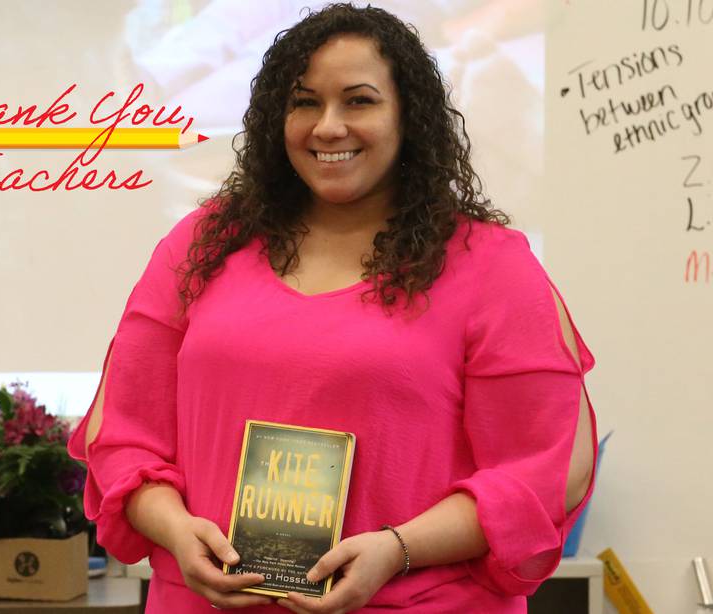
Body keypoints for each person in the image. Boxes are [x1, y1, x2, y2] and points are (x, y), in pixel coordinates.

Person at [67, 4, 598, 613]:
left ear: (409, 118)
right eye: (305, 102)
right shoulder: (202, 244)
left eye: (359, 101)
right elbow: (124, 437)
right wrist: (173, 531)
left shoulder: (491, 267)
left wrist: (397, 549)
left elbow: (546, 472)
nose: (328, 126)